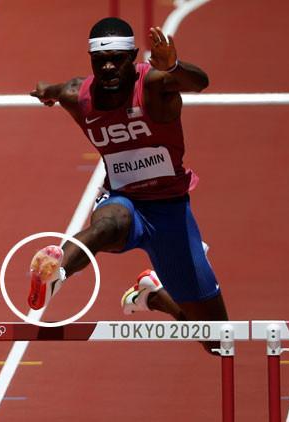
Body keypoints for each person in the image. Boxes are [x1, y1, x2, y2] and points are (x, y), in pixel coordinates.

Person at [27, 18, 228, 353]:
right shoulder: (78, 96)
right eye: (100, 60)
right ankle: (54, 275)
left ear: (133, 58)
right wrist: (46, 92)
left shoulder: (154, 85)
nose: (108, 67)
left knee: (219, 342)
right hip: (124, 200)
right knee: (108, 225)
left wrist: (174, 66)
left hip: (170, 213)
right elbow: (57, 89)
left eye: (117, 59)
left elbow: (200, 82)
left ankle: (154, 295)